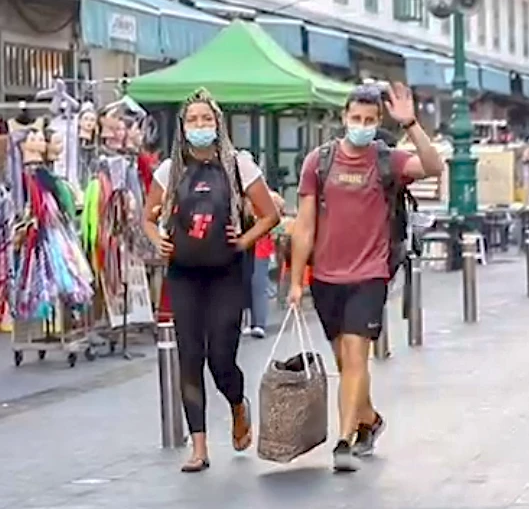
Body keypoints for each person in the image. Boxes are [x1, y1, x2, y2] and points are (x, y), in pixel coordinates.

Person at [287, 82, 444, 472]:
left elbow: (432, 167)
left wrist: (410, 124)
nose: (361, 125)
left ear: (377, 122)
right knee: (344, 360)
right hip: (325, 276)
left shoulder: (387, 160)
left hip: (370, 274)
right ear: (344, 118)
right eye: (355, 118)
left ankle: (343, 441)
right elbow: (304, 226)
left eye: (369, 120)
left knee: (357, 356)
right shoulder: (318, 163)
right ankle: (369, 419)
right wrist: (294, 280)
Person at [143, 88, 280, 473]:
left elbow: (269, 214)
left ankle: (237, 402)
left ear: (218, 124)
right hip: (184, 273)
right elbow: (147, 218)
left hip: (225, 274)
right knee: (189, 357)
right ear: (182, 127)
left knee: (221, 357)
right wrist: (159, 241)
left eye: (207, 119)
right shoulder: (169, 170)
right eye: (193, 120)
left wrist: (246, 240)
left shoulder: (239, 166)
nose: (200, 126)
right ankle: (199, 447)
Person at [243, 189, 285, 339]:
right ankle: (252, 322)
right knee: (250, 284)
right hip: (249, 247)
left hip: (261, 248)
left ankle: (259, 324)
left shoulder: (266, 196)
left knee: (259, 284)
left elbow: (279, 204)